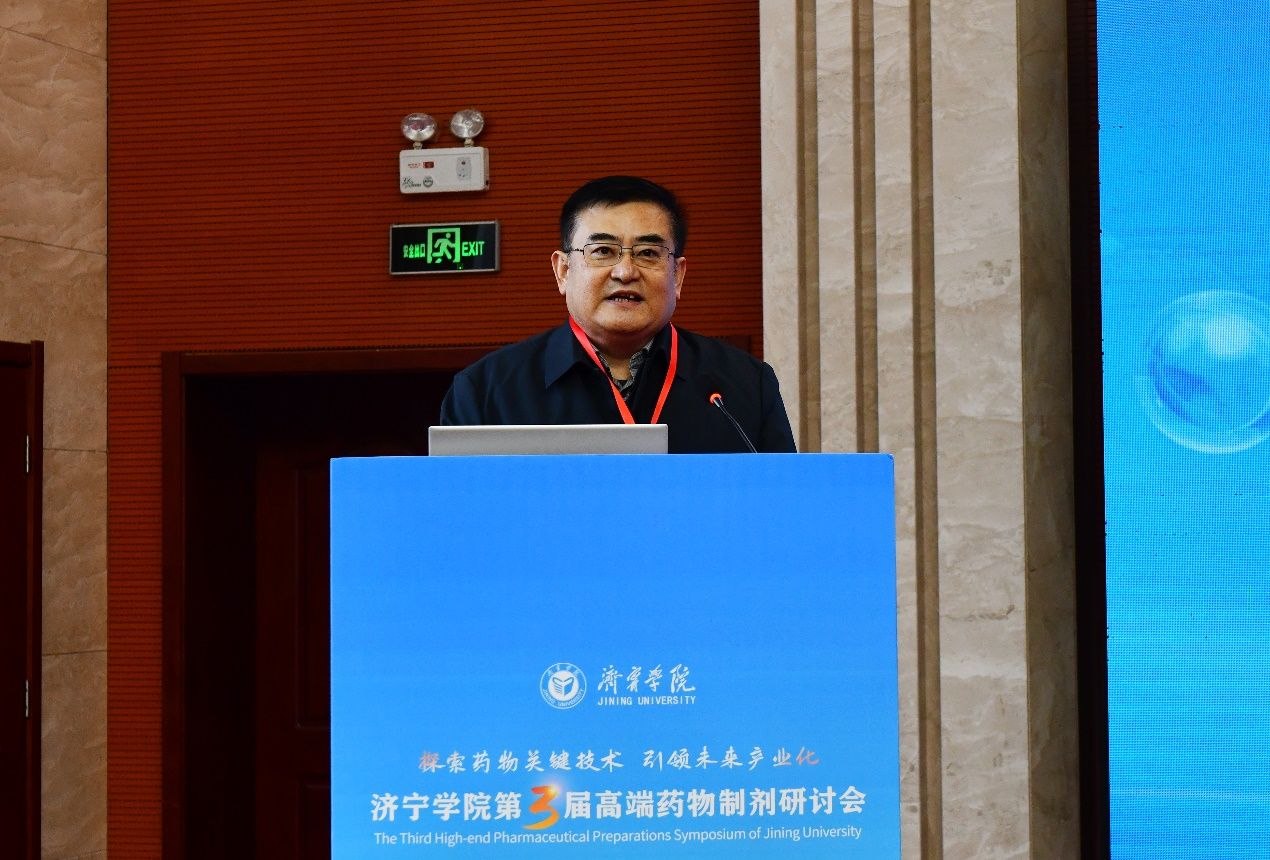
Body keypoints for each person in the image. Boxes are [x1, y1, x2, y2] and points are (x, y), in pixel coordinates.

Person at [439, 175, 796, 453]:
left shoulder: (745, 385)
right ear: (563, 271)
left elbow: (783, 505)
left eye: (648, 253)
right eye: (603, 251)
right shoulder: (486, 390)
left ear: (678, 275)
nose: (625, 272)